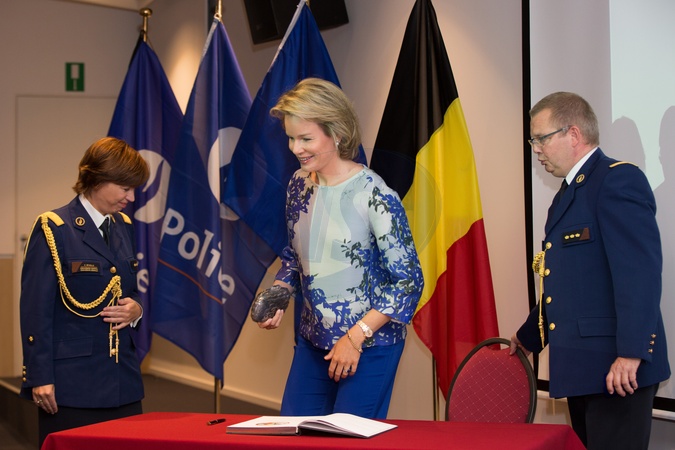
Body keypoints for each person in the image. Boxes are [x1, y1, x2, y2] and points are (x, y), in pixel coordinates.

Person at [256, 78, 424, 419]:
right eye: (291, 137)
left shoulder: (374, 195)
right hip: (312, 340)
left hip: (370, 345)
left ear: (337, 133)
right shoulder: (298, 185)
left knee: (347, 439)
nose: (295, 148)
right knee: (293, 433)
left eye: (306, 138)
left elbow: (409, 281)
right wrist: (280, 291)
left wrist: (356, 337)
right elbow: (295, 257)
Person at [510, 92, 670, 450]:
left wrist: (631, 353)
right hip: (582, 368)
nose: (536, 149)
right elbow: (569, 283)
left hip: (618, 369)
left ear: (573, 134)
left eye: (541, 138)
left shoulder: (617, 180)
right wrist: (529, 335)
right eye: (533, 141)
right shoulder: (565, 196)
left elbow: (639, 275)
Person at [20, 137, 149, 447]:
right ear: (97, 179)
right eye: (125, 188)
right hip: (72, 384)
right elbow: (36, 310)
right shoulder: (54, 228)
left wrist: (136, 310)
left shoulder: (123, 226)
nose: (131, 197)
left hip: (122, 381)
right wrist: (40, 376)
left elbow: (129, 290)